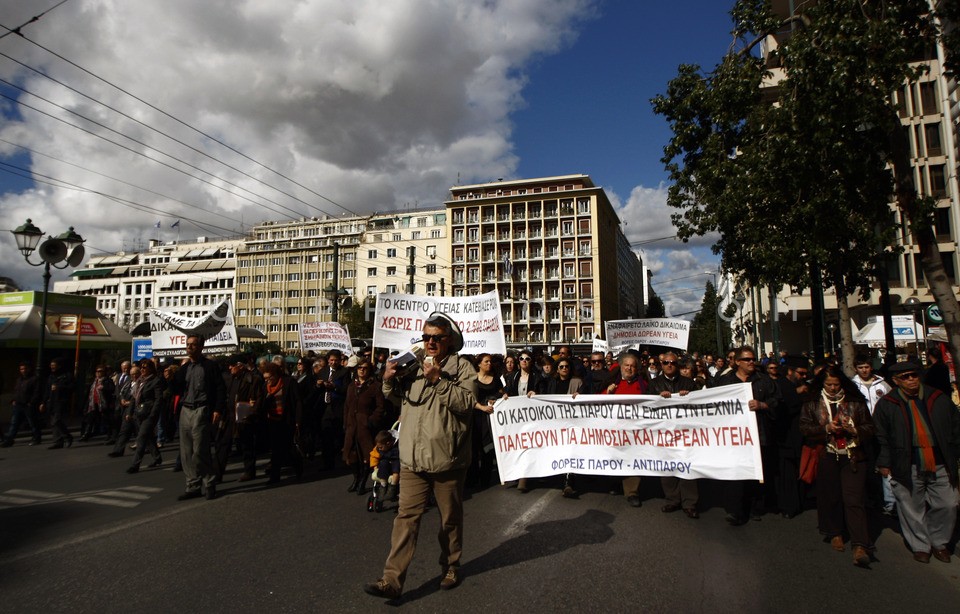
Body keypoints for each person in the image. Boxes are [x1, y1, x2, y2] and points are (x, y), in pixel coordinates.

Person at [365, 312, 476, 599]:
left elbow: (466, 404)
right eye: (426, 337)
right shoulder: (413, 365)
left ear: (448, 341)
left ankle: (450, 565)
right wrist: (387, 379)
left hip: (446, 459)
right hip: (412, 458)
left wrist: (439, 380)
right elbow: (396, 398)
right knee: (405, 518)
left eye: (436, 338)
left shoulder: (462, 367)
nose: (429, 342)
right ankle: (392, 580)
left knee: (449, 519)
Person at [874, 361, 960, 564]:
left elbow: (955, 427)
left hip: (940, 460)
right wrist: (884, 463)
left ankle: (939, 541)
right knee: (912, 506)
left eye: (914, 375)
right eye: (905, 377)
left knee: (948, 503)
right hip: (906, 462)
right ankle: (921, 545)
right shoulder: (887, 404)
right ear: (895, 381)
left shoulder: (937, 398)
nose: (911, 380)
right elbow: (882, 436)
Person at [798, 365, 875, 567]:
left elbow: (869, 427)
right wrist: (826, 428)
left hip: (853, 456)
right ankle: (835, 532)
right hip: (827, 455)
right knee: (830, 496)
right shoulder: (812, 403)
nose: (833, 388)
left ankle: (860, 544)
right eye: (829, 384)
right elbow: (805, 428)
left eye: (836, 384)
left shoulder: (855, 403)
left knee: (854, 499)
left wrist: (855, 430)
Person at [714, 346, 781, 524]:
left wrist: (762, 405)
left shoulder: (763, 381)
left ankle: (754, 507)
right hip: (733, 437)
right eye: (747, 359)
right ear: (737, 362)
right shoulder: (725, 381)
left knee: (756, 474)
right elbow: (713, 404)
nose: (752, 362)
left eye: (753, 359)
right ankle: (734, 510)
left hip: (759, 434)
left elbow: (777, 402)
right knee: (735, 474)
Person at [171, 334, 226, 501]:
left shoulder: (210, 366)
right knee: (186, 451)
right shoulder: (185, 368)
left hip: (201, 410)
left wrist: (217, 409)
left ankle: (209, 483)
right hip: (185, 410)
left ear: (201, 347)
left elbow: (219, 389)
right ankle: (193, 485)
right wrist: (171, 379)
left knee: (200, 451)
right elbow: (176, 389)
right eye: (187, 345)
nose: (189, 348)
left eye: (193, 345)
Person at [647, 352, 699, 519]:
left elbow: (700, 404)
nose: (669, 365)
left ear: (678, 365)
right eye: (666, 363)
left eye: (673, 363)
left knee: (687, 466)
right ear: (661, 365)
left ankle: (689, 503)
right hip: (664, 432)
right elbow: (647, 405)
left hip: (685, 432)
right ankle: (672, 499)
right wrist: (657, 398)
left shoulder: (689, 383)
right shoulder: (654, 384)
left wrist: (689, 397)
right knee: (668, 466)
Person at [604, 352, 648, 508]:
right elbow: (595, 402)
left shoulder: (644, 385)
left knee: (632, 459)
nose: (629, 368)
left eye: (632, 366)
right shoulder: (611, 383)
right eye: (626, 365)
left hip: (634, 432)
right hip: (614, 430)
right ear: (620, 367)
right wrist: (607, 392)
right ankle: (615, 483)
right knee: (614, 457)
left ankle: (632, 492)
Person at [852, 354, 894, 515]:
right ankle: (870, 496)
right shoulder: (853, 385)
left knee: (884, 463)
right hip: (862, 430)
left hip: (881, 429)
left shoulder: (882, 384)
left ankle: (888, 500)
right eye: (861, 367)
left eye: (866, 367)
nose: (864, 370)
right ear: (856, 368)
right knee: (868, 464)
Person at [343, 359, 386, 494]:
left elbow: (380, 407)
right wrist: (345, 422)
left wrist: (371, 421)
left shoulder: (375, 386)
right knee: (351, 455)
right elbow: (347, 406)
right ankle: (356, 478)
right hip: (351, 426)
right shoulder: (351, 386)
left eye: (365, 368)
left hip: (365, 427)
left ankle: (363, 481)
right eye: (360, 367)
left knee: (367, 456)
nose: (362, 370)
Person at [504, 350, 543, 493]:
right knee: (517, 446)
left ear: (531, 361)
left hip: (532, 417)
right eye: (521, 358)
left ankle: (524, 477)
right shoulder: (512, 376)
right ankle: (518, 473)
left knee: (528, 446)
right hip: (516, 418)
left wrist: (536, 394)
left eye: (527, 358)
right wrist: (505, 395)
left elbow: (544, 394)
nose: (524, 361)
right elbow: (507, 391)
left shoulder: (538, 377)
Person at [261, 362, 303, 485]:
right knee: (275, 449)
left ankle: (298, 466)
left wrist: (298, 420)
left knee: (288, 447)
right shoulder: (265, 387)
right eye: (265, 378)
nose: (268, 380)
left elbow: (298, 401)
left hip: (287, 420)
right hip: (273, 421)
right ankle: (275, 476)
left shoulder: (289, 382)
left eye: (270, 378)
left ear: (276, 374)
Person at [224, 355, 265, 482]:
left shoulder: (253, 379)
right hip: (230, 416)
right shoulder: (231, 379)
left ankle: (249, 471)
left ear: (240, 366)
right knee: (224, 444)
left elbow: (258, 398)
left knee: (247, 445)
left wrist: (252, 410)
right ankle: (217, 472)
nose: (230, 367)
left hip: (245, 416)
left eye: (232, 365)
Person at [470, 353, 504, 490]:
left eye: (490, 361)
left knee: (488, 448)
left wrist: (495, 398)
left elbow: (502, 394)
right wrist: (481, 407)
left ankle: (485, 478)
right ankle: (472, 478)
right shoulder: (472, 379)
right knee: (473, 448)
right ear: (479, 364)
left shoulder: (496, 380)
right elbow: (469, 398)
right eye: (486, 361)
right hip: (475, 417)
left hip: (490, 419)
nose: (489, 364)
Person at [126, 360, 165, 473]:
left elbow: (158, 399)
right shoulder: (139, 381)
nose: (142, 369)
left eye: (145, 367)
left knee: (141, 437)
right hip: (139, 414)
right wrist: (129, 412)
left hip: (149, 414)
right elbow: (134, 398)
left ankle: (135, 464)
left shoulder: (155, 381)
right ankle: (157, 458)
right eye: (141, 367)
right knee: (148, 437)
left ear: (151, 369)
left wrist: (153, 414)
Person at [555, 357, 584, 498]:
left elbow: (587, 398)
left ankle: (568, 483)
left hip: (573, 423)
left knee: (570, 451)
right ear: (557, 369)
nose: (564, 368)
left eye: (566, 366)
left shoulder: (577, 382)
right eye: (561, 367)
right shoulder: (552, 382)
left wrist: (581, 395)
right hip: (557, 423)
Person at [317, 349, 350, 470]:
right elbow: (316, 389)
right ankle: (327, 463)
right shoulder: (323, 371)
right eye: (331, 360)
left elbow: (346, 390)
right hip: (325, 408)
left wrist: (334, 387)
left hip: (337, 408)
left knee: (337, 436)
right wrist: (318, 385)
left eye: (336, 360)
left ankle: (339, 458)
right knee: (326, 436)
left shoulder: (344, 372)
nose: (333, 362)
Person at [3, 363, 41, 447]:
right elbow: (16, 391)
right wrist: (14, 400)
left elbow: (37, 392)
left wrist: (31, 402)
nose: (23, 371)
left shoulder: (34, 379)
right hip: (18, 404)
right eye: (21, 369)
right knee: (14, 422)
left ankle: (36, 438)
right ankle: (9, 439)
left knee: (32, 422)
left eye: (25, 369)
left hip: (28, 405)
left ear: (29, 369)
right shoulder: (19, 379)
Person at [41, 358, 74, 450]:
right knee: (53, 423)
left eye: (54, 366)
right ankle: (57, 441)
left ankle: (67, 436)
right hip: (51, 402)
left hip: (61, 401)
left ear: (59, 366)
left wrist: (59, 387)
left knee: (57, 421)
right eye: (51, 366)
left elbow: (72, 387)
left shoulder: (67, 376)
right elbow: (47, 391)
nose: (52, 368)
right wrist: (43, 402)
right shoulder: (51, 377)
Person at [108, 365, 140, 457]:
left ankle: (153, 452)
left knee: (142, 432)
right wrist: (122, 399)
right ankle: (118, 450)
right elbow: (121, 392)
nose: (134, 376)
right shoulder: (128, 382)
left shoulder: (142, 383)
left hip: (137, 410)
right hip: (127, 411)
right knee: (124, 431)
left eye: (135, 374)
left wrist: (131, 403)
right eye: (132, 374)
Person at [368, 430, 401, 513]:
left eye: (381, 447)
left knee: (396, 469)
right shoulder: (378, 448)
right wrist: (375, 467)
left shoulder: (397, 447)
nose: (379, 449)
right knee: (383, 463)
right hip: (385, 465)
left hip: (396, 463)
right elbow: (373, 456)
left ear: (388, 443)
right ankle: (383, 486)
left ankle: (392, 488)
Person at [80, 365, 116, 442]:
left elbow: (112, 389)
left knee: (107, 420)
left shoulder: (107, 381)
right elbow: (89, 393)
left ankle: (110, 435)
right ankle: (86, 434)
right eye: (97, 371)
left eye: (100, 371)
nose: (98, 373)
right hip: (93, 403)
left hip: (103, 404)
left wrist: (104, 388)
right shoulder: (94, 381)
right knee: (90, 419)